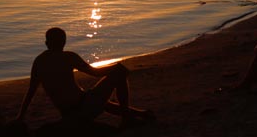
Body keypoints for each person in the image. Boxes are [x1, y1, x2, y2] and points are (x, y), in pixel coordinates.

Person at [16, 27, 154, 127]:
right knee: (120, 72)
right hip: (82, 109)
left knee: (97, 99)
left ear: (47, 43)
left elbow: (31, 91)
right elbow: (95, 73)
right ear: (64, 42)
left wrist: (20, 117)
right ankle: (126, 120)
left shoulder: (39, 61)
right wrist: (115, 67)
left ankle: (140, 114)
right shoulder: (69, 57)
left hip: (68, 114)